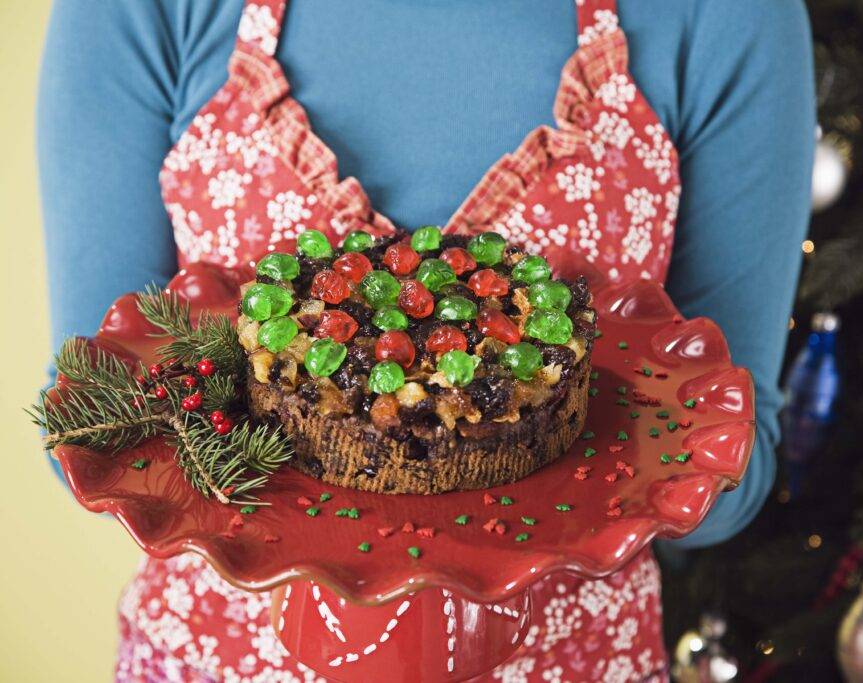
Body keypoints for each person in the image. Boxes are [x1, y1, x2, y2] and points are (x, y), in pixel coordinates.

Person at [38, 1, 814, 680]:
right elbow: (99, 420)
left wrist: (609, 463)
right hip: (215, 659)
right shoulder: (143, 8)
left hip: (575, 662)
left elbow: (732, 464)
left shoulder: (728, 12)